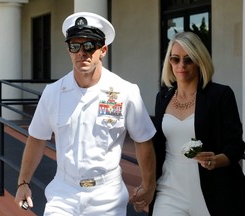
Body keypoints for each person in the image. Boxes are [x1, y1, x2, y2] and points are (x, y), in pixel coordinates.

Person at [14, 12, 156, 216]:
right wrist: (23, 183)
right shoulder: (53, 92)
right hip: (63, 193)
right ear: (69, 50)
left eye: (90, 45)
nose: (82, 52)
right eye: (75, 46)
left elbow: (143, 141)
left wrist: (149, 186)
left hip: (107, 196)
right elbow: (36, 138)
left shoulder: (125, 91)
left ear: (103, 50)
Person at [148, 32, 245, 216]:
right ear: (169, 62)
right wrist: (147, 183)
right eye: (175, 59)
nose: (181, 65)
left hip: (214, 191)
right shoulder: (163, 97)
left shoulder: (220, 95)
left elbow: (236, 145)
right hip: (169, 190)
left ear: (200, 61)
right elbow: (157, 146)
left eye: (189, 59)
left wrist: (216, 160)